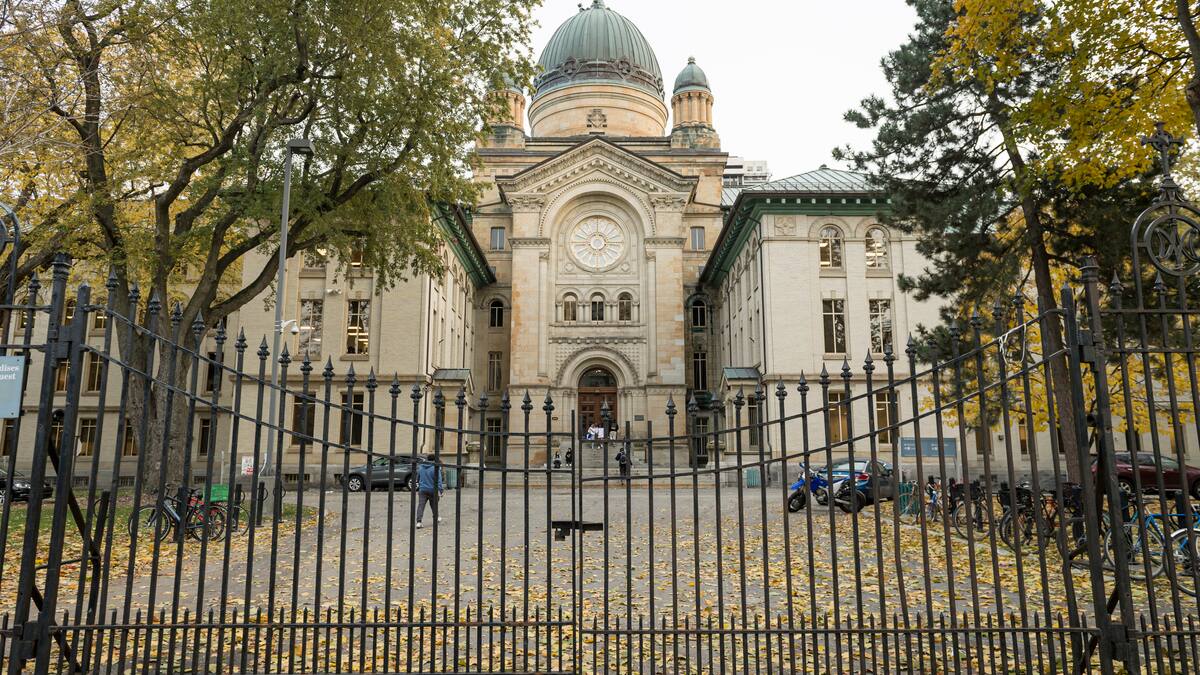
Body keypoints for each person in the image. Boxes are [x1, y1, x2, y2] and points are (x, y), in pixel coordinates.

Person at [414, 453, 444, 530]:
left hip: (422, 489)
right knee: (434, 504)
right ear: (434, 460)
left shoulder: (421, 467)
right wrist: (441, 490)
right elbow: (439, 481)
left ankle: (419, 522)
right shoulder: (435, 468)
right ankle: (436, 517)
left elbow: (417, 478)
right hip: (432, 489)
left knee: (421, 505)